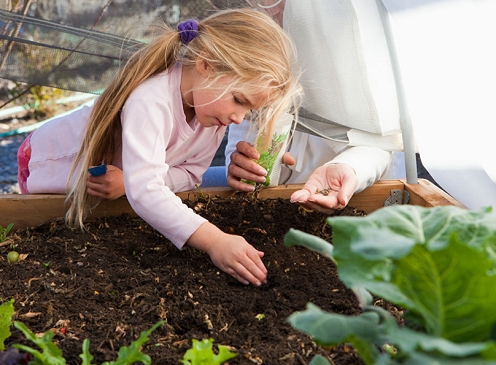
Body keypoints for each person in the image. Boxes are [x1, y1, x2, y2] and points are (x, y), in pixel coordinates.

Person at [16, 8, 302, 286]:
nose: (238, 118)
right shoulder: (152, 100)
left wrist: (131, 183)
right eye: (239, 100)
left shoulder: (212, 117)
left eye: (248, 110)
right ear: (206, 65)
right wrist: (215, 241)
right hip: (47, 160)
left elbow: (190, 175)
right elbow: (147, 192)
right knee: (45, 227)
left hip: (110, 176)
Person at [223, 0, 404, 214]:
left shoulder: (352, 43)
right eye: (258, 2)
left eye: (278, 3)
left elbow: (381, 142)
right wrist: (240, 166)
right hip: (277, 206)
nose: (271, 11)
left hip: (356, 201)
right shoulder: (257, 39)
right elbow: (244, 129)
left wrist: (349, 168)